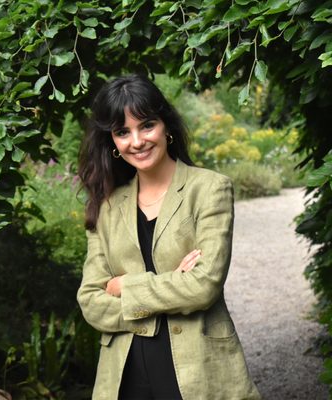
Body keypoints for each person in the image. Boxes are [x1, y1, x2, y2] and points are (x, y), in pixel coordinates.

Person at [77, 74, 261, 400]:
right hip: (124, 375)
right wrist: (174, 286)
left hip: (198, 369)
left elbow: (203, 286)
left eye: (147, 125)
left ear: (166, 127)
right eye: (122, 132)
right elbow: (91, 303)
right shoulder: (106, 206)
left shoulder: (209, 189)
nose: (137, 141)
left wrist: (125, 286)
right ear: (113, 142)